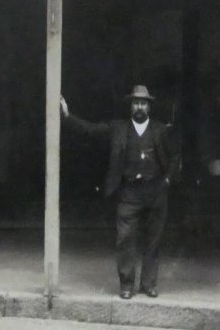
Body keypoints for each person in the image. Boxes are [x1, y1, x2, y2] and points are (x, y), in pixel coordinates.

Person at [60, 85, 180, 300]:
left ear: (149, 107)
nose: (140, 107)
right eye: (136, 103)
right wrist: (68, 116)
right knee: (125, 239)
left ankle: (149, 284)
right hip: (129, 193)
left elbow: (174, 157)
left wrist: (168, 179)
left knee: (153, 241)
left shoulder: (161, 129)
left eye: (143, 103)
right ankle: (126, 285)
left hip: (155, 192)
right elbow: (91, 130)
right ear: (131, 106)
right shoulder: (118, 128)